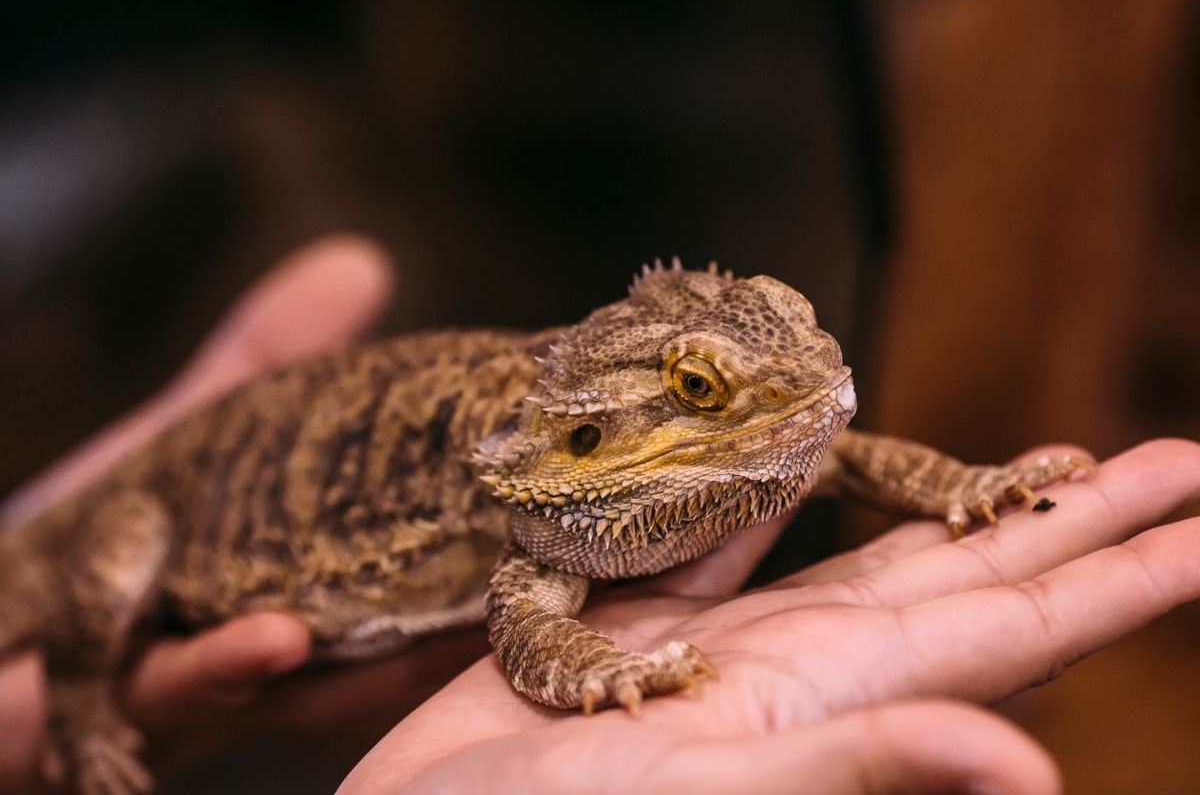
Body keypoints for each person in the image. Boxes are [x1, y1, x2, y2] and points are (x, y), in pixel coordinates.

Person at [2, 236, 1198, 794]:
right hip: (154, 513)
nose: (828, 383)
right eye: (698, 391)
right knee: (102, 583)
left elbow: (837, 449)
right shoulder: (542, 525)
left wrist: (962, 490)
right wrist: (607, 669)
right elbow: (532, 626)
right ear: (585, 441)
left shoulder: (737, 433)